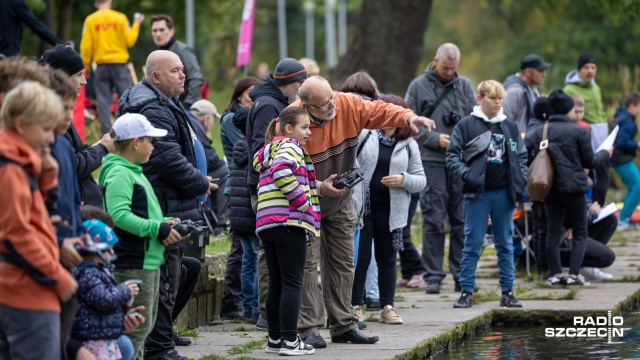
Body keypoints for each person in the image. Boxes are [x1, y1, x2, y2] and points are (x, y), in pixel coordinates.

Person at [291, 76, 435, 345]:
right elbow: (284, 170)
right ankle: (308, 328)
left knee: (344, 263)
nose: (333, 106)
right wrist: (320, 186)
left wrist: (409, 117)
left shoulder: (346, 104)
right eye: (325, 105)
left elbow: (380, 109)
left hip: (341, 201)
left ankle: (344, 326)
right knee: (307, 266)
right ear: (307, 106)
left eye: (333, 97)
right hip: (305, 203)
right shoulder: (291, 120)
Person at [117, 50, 215, 360]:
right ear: (155, 76)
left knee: (178, 273)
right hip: (164, 202)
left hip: (173, 202)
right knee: (167, 279)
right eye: (175, 71)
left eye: (183, 69)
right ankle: (159, 349)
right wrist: (201, 183)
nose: (183, 75)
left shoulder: (164, 101)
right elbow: (166, 158)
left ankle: (161, 336)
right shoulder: (151, 106)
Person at [0, 81, 77, 359]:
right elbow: (18, 234)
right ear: (21, 125)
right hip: (27, 293)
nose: (50, 139)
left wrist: (46, 178)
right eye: (45, 129)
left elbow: (34, 215)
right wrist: (58, 277)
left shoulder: (20, 165)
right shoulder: (11, 170)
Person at [99, 113, 184, 359]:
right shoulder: (120, 174)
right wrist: (157, 229)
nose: (153, 146)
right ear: (136, 142)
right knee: (135, 332)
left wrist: (162, 223)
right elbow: (119, 216)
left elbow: (136, 212)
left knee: (142, 329)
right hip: (133, 263)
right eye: (150, 140)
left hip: (147, 261)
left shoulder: (133, 171)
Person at [446, 80, 528, 308]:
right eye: (492, 98)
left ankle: (508, 292)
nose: (497, 102)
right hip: (476, 194)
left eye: (500, 98)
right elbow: (452, 156)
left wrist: (521, 180)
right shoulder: (466, 125)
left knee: (505, 243)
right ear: (479, 99)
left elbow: (521, 156)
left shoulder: (509, 126)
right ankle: (466, 292)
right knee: (472, 242)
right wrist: (467, 175)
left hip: (504, 193)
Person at [405, 43, 477, 295]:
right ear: (435, 61)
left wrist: (460, 142)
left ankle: (461, 275)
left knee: (461, 219)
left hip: (460, 161)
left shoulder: (465, 85)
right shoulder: (418, 86)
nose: (449, 72)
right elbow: (410, 123)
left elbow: (472, 120)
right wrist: (434, 139)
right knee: (434, 218)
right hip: (431, 160)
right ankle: (433, 275)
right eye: (445, 68)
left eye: (453, 68)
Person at [351, 95, 426, 325]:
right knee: (360, 258)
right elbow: (350, 164)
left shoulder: (409, 144)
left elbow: (421, 180)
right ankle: (355, 307)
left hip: (392, 212)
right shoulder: (365, 135)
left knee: (387, 260)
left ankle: (387, 307)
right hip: (364, 210)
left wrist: (403, 179)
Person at [525, 89, 611, 287]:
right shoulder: (579, 131)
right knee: (580, 232)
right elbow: (590, 160)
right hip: (575, 189)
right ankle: (573, 276)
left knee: (552, 233)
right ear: (569, 109)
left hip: (551, 190)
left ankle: (555, 275)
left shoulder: (540, 131)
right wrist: (606, 154)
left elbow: (523, 148)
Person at [246, 58, 307, 330]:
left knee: (277, 275)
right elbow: (271, 154)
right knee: (283, 277)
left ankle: (273, 332)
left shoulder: (272, 102)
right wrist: (303, 201)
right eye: (300, 82)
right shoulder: (269, 105)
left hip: (270, 203)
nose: (301, 87)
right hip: (279, 206)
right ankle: (280, 328)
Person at [254, 107, 320, 356]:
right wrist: (304, 204)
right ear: (288, 129)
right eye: (304, 127)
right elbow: (282, 171)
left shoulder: (268, 150)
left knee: (277, 285)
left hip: (268, 223)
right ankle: (291, 341)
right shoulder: (291, 147)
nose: (308, 133)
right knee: (293, 283)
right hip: (289, 221)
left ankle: (275, 339)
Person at [40, 43, 115, 208]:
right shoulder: (50, 116)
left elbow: (74, 153)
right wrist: (102, 149)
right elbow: (70, 165)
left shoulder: (59, 109)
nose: (84, 81)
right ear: (63, 77)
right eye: (79, 74)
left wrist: (99, 146)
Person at [219, 78, 258, 320]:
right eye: (250, 93)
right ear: (239, 95)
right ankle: (236, 302)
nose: (253, 98)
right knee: (243, 252)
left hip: (241, 189)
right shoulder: (232, 119)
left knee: (245, 252)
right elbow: (245, 151)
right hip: (240, 189)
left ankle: (243, 304)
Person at [71, 219, 138, 360]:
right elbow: (103, 299)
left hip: (103, 336)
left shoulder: (100, 271)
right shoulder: (87, 273)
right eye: (108, 248)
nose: (112, 252)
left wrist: (125, 307)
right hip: (92, 338)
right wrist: (124, 291)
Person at [80, 0, 144, 135]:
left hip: (101, 66)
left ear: (96, 4)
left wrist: (85, 67)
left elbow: (85, 47)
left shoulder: (90, 20)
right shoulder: (120, 18)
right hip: (120, 64)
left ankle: (106, 136)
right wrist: (136, 24)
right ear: (110, 1)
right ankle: (128, 133)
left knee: (103, 101)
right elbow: (130, 41)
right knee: (126, 99)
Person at [564, 53, 609, 206]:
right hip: (585, 138)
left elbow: (600, 112)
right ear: (579, 70)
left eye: (593, 67)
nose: (590, 71)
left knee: (604, 181)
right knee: (592, 179)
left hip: (602, 137)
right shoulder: (570, 89)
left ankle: (598, 213)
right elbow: (567, 113)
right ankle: (590, 213)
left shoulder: (595, 87)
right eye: (586, 67)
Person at [228, 107, 260, 323]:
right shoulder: (254, 149)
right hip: (252, 214)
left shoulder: (237, 148)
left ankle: (247, 306)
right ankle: (258, 307)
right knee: (259, 260)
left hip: (237, 216)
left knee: (248, 260)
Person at [189, 99, 228, 232]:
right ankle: (223, 223)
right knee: (225, 172)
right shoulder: (196, 128)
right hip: (196, 174)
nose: (212, 124)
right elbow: (210, 159)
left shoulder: (190, 123)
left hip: (191, 171)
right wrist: (223, 162)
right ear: (206, 118)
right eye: (213, 119)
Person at [150, 14, 203, 108]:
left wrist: (189, 105)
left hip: (184, 106)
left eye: (162, 30)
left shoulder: (183, 50)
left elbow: (195, 77)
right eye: (155, 30)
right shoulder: (156, 54)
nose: (158, 34)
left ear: (171, 31)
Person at [610, 93, 640, 229]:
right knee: (638, 187)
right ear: (632, 105)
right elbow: (621, 142)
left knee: (634, 187)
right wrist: (637, 145)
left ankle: (624, 217)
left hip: (617, 158)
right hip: (621, 158)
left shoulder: (620, 116)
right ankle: (623, 219)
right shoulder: (627, 121)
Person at [503, 54, 551, 135]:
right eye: (540, 71)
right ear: (528, 72)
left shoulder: (532, 90)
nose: (544, 75)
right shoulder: (514, 91)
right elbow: (504, 121)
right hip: (517, 144)